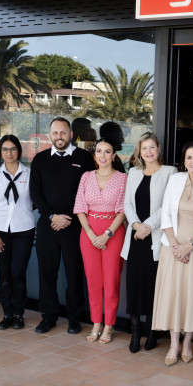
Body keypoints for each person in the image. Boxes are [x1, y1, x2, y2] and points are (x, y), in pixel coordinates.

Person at [29, 117, 95, 334]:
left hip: (74, 225)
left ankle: (74, 318)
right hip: (48, 225)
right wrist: (51, 216)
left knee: (74, 273)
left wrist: (67, 217)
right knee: (47, 273)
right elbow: (35, 193)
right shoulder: (39, 160)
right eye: (55, 133)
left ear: (70, 134)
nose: (59, 137)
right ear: (50, 135)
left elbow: (86, 192)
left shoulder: (84, 158)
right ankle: (48, 316)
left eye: (63, 132)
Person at [152, 142, 193, 365]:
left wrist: (190, 246)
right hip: (172, 247)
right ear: (183, 161)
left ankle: (188, 342)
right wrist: (176, 245)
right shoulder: (175, 179)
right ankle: (173, 343)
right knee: (173, 294)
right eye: (189, 157)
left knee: (191, 294)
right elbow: (166, 211)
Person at [121, 132, 176, 352]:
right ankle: (135, 333)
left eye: (152, 147)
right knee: (133, 285)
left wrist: (147, 226)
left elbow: (168, 205)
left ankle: (153, 332)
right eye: (145, 148)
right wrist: (135, 225)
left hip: (155, 238)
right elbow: (127, 203)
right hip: (135, 238)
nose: (149, 152)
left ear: (159, 149)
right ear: (139, 151)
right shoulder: (133, 172)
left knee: (154, 286)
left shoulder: (170, 172)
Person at [0, 135, 35, 330]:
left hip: (23, 230)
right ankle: (7, 313)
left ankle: (19, 313)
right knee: (4, 275)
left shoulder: (29, 174)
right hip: (0, 231)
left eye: (12, 149)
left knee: (18, 273)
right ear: (0, 152)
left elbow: (35, 200)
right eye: (5, 150)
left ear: (18, 151)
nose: (9, 153)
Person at [74, 139, 128, 344]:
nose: (103, 155)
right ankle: (96, 323)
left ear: (114, 155)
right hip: (88, 232)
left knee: (111, 280)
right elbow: (79, 207)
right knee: (93, 280)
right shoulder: (86, 177)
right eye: (99, 151)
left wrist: (106, 234)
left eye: (108, 151)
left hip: (112, 232)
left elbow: (123, 210)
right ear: (94, 155)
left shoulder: (123, 178)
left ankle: (109, 325)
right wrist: (90, 232)